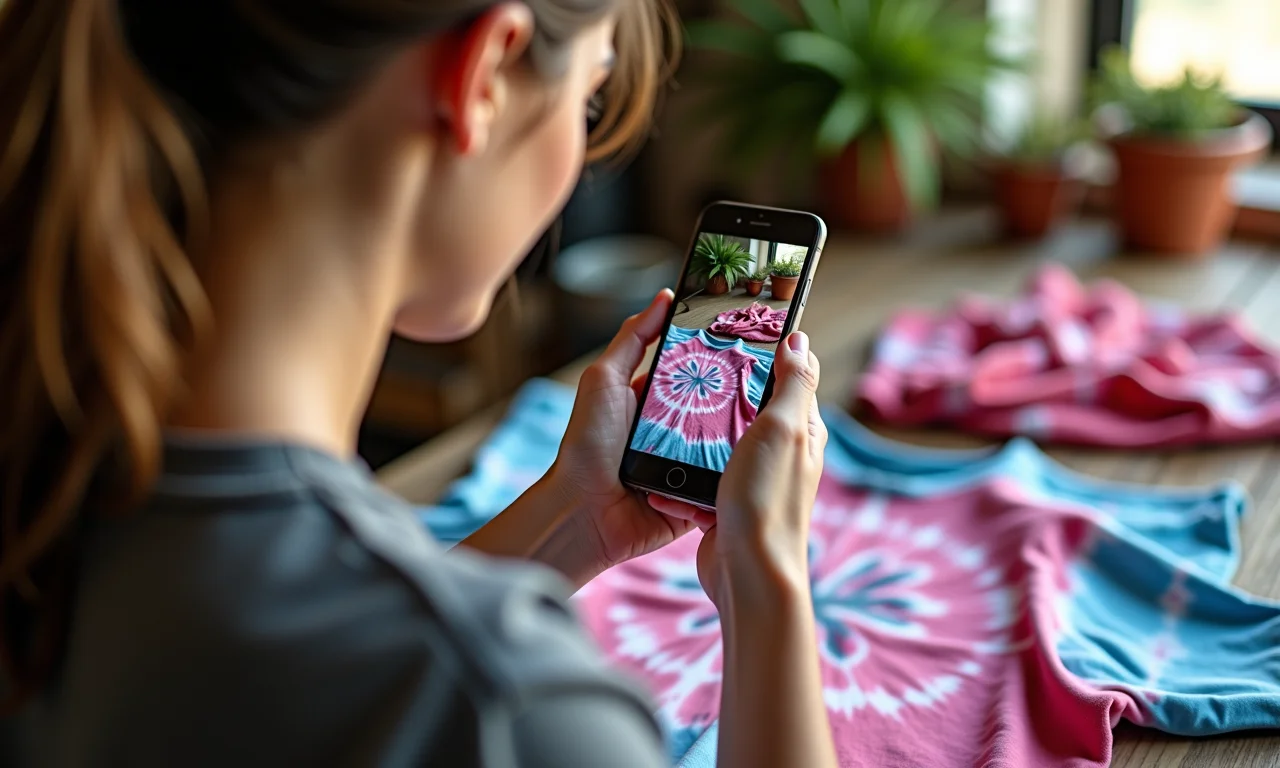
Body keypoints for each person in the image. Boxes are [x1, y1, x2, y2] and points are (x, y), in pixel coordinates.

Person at [0, 0, 839, 766]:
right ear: (483, 75)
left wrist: (575, 518)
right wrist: (765, 577)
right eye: (588, 97)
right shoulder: (514, 709)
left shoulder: (56, 472)